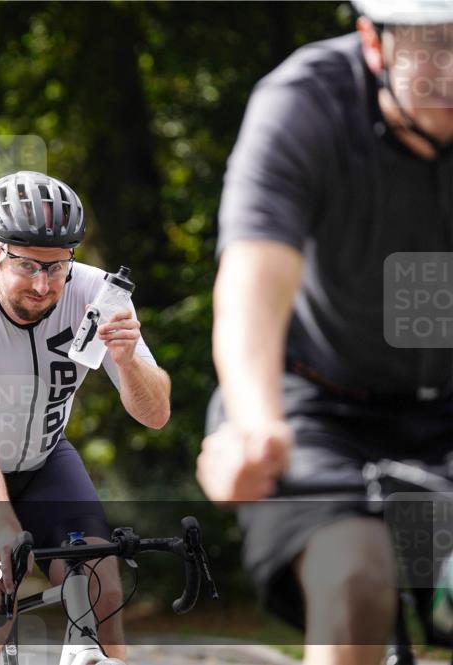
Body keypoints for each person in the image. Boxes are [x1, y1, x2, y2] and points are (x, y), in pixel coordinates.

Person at [196, 1, 453, 664]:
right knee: (355, 577)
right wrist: (256, 424)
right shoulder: (304, 102)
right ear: (373, 42)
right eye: (434, 45)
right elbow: (254, 280)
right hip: (315, 406)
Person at [0, 170, 171, 665]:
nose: (42, 284)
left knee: (102, 589)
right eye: (27, 265)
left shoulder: (98, 295)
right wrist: (3, 530)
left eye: (57, 267)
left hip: (44, 458)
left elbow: (156, 414)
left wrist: (128, 361)